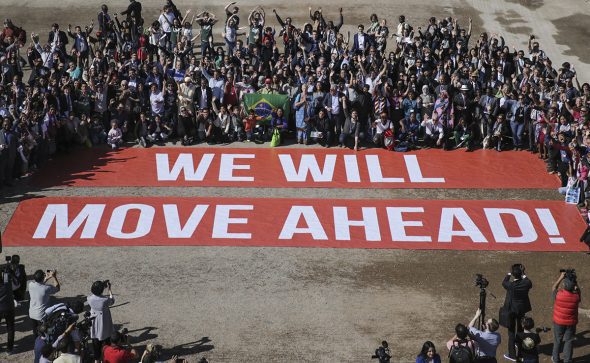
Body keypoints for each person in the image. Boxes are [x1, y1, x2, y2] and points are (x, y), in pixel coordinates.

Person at [501, 264, 532, 361]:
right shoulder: (526, 283)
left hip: (511, 310)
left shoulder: (511, 285)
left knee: (511, 333)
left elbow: (504, 282)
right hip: (521, 309)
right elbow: (528, 281)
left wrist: (509, 272)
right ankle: (521, 353)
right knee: (520, 330)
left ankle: (512, 355)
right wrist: (523, 273)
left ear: (514, 275)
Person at [551, 270, 581, 363]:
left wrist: (560, 277)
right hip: (571, 323)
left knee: (557, 340)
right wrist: (575, 283)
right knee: (569, 341)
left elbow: (554, 288)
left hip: (558, 322)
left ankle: (555, 359)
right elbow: (578, 291)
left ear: (564, 285)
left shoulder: (559, 295)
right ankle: (567, 360)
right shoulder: (576, 297)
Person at [88, 280, 115, 363]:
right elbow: (112, 301)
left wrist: (102, 285)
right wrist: (109, 290)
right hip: (104, 321)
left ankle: (96, 360)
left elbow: (97, 295)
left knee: (96, 343)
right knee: (107, 340)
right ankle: (106, 357)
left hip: (95, 321)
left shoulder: (89, 298)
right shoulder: (105, 300)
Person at [29, 269, 61, 338]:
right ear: (43, 277)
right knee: (44, 333)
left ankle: (37, 344)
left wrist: (46, 278)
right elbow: (57, 288)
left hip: (32, 314)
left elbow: (39, 284)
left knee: (35, 332)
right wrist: (54, 277)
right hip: (41, 316)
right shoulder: (46, 288)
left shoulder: (30, 285)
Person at [0, 262, 20, 355]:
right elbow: (17, 284)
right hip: (9, 308)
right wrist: (11, 273)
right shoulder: (8, 284)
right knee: (10, 329)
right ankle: (9, 349)